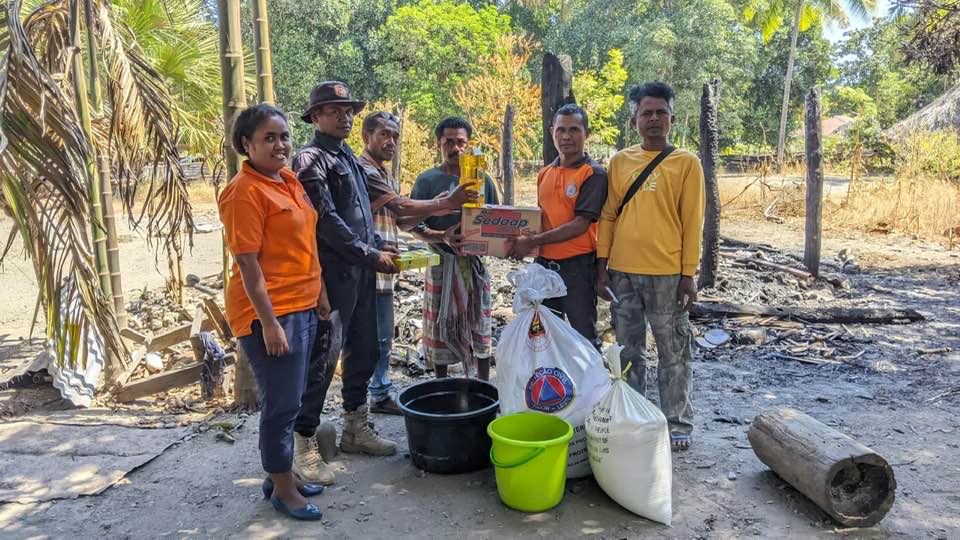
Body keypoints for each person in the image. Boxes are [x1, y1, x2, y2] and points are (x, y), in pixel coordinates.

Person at [219, 104, 329, 520]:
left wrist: (318, 290)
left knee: (293, 397)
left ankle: (280, 475)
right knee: (281, 405)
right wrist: (268, 323)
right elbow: (248, 263)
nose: (281, 145)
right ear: (246, 144)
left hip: (301, 302)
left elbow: (306, 239)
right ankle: (284, 489)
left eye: (284, 136)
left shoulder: (287, 180)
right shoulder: (243, 192)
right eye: (269, 138)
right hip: (269, 312)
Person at [291, 81, 399, 486]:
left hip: (361, 272)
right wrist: (371, 254)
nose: (345, 115)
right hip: (332, 275)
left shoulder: (348, 157)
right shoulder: (310, 159)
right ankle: (304, 445)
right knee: (324, 357)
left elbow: (362, 216)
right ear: (316, 116)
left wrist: (379, 250)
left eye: (349, 109)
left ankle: (356, 426)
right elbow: (326, 221)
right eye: (334, 109)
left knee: (366, 347)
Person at [596, 81, 705, 451]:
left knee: (674, 351)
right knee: (628, 352)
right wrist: (602, 264)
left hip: (668, 276)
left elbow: (693, 222)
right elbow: (609, 215)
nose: (654, 119)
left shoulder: (686, 164)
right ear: (635, 120)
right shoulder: (620, 162)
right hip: (623, 274)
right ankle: (634, 417)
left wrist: (688, 274)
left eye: (661, 112)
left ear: (671, 118)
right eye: (647, 113)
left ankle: (677, 423)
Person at [357, 111, 478, 414]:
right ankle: (358, 409)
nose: (392, 142)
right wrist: (445, 203)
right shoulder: (363, 170)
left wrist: (440, 232)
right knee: (367, 340)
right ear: (365, 136)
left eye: (395, 136)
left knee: (383, 337)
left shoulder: (383, 173)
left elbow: (402, 219)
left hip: (387, 267)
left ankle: (379, 395)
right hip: (367, 267)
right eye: (384, 134)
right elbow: (402, 205)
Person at [508, 104, 607, 347]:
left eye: (574, 129)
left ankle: (589, 385)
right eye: (561, 129)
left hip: (578, 269)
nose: (566, 136)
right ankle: (551, 384)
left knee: (583, 335)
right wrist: (513, 243)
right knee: (543, 336)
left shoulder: (593, 174)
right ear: (551, 131)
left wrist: (531, 242)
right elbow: (540, 220)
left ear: (587, 133)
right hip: (543, 268)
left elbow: (579, 225)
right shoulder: (545, 173)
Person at [408, 117, 499, 380]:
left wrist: (491, 244)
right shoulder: (426, 180)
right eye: (449, 141)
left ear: (468, 145)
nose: (455, 148)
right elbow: (412, 223)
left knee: (479, 324)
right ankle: (440, 384)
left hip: (475, 265)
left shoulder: (483, 181)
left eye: (461, 142)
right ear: (438, 143)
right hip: (440, 264)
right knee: (440, 326)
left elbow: (495, 219)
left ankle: (483, 384)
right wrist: (440, 236)